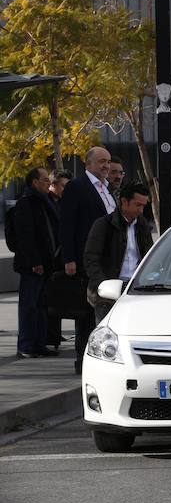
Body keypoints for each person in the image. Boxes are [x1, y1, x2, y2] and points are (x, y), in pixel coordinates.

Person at [60, 146, 115, 373]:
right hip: (86, 260)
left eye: (108, 161)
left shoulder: (107, 188)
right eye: (101, 161)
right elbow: (67, 224)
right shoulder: (77, 187)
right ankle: (82, 362)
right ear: (89, 163)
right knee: (85, 314)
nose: (106, 165)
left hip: (108, 261)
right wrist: (69, 258)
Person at [83, 182, 153, 322]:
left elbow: (150, 255)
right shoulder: (103, 225)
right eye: (138, 205)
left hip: (136, 288)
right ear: (124, 202)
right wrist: (103, 286)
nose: (141, 210)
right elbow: (91, 259)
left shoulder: (142, 224)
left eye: (144, 206)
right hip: (109, 292)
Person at [13, 168, 61, 358]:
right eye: (44, 180)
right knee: (29, 306)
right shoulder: (26, 203)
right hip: (33, 265)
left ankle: (39, 344)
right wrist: (34, 261)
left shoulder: (44, 201)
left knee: (41, 306)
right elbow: (25, 236)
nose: (48, 183)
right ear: (34, 182)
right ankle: (26, 345)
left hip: (46, 263)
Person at [46, 168, 72, 350]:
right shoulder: (47, 203)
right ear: (53, 184)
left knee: (59, 298)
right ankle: (50, 336)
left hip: (59, 255)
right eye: (63, 186)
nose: (65, 190)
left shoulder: (63, 202)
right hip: (51, 257)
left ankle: (54, 335)